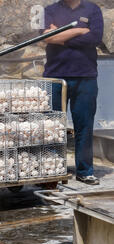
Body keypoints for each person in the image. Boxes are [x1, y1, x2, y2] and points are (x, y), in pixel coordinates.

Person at [41, 0, 104, 185]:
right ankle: (53, 170)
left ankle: (85, 171)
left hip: (85, 77)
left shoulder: (93, 9)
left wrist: (60, 34)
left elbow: (95, 38)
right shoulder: (50, 10)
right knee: (52, 127)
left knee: (84, 126)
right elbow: (46, 37)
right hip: (55, 77)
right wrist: (80, 30)